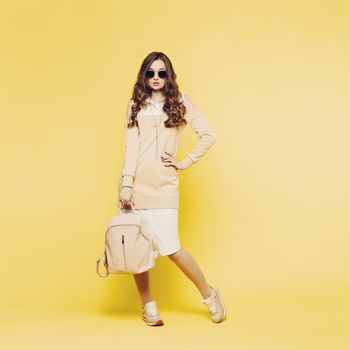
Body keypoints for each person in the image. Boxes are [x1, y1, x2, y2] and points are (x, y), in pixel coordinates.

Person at [118, 51, 227, 326]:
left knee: (171, 248)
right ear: (144, 75)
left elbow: (208, 134)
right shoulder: (135, 105)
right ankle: (149, 307)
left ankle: (209, 294)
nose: (156, 78)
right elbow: (130, 150)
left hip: (165, 187)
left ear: (169, 76)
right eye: (151, 73)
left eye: (161, 73)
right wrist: (127, 185)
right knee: (138, 249)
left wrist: (183, 162)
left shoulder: (179, 102)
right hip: (136, 188)